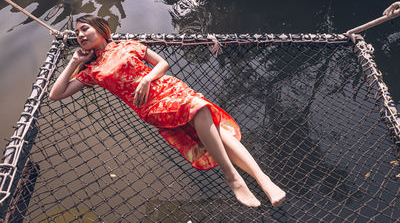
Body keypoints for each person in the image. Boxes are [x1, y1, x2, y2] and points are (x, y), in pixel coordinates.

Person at [49, 15, 286, 208]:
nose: (80, 35)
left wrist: (146, 79)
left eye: (84, 29)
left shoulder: (129, 45)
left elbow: (162, 64)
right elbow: (56, 94)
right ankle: (233, 176)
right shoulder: (92, 70)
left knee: (208, 119)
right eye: (77, 33)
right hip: (151, 107)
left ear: (101, 29)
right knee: (200, 110)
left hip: (167, 87)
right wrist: (74, 62)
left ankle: (261, 179)